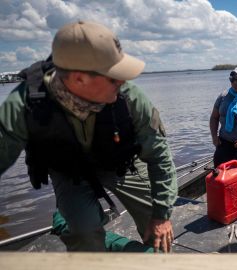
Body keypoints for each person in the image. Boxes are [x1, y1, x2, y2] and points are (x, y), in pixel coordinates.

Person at [0, 21, 177, 252]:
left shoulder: (130, 98)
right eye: (114, 77)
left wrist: (162, 215)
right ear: (79, 79)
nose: (123, 82)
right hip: (69, 173)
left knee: (156, 224)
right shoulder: (24, 105)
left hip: (122, 166)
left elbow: (159, 157)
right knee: (85, 235)